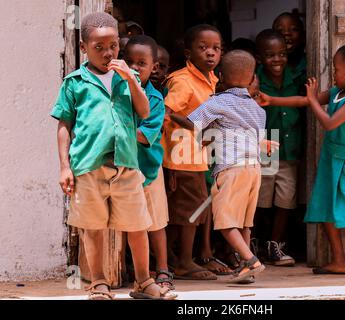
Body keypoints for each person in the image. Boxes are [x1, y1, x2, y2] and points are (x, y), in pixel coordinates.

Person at [51, 12, 174, 299]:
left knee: (137, 226)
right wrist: (64, 167)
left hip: (126, 166)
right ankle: (99, 284)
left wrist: (131, 80)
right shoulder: (75, 82)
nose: (108, 53)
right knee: (92, 229)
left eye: (114, 46)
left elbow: (144, 112)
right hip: (88, 167)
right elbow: (63, 125)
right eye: (99, 48)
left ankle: (144, 282)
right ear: (84, 48)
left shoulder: (127, 78)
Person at [259, 43, 345, 279]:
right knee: (325, 209)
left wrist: (312, 99)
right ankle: (339, 260)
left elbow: (329, 123)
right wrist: (272, 100)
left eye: (336, 69)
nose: (333, 74)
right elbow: (303, 101)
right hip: (332, 160)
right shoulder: (336, 93)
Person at [171, 50, 273, 283]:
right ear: (250, 79)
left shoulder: (217, 102)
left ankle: (251, 261)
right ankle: (246, 271)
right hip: (254, 168)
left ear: (219, 77)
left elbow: (192, 123)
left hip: (230, 168)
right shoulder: (259, 110)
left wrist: (172, 115)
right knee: (245, 222)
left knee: (225, 222)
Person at [161, 24, 222, 281]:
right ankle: (185, 262)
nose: (211, 53)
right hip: (182, 156)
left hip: (198, 157)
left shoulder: (214, 80)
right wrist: (193, 129)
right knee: (190, 210)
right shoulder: (183, 81)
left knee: (187, 210)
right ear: (188, 52)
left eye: (216, 48)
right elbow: (165, 113)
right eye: (203, 47)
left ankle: (176, 258)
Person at [123, 35, 178, 293]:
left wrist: (115, 129)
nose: (135, 68)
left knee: (155, 223)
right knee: (128, 223)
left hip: (148, 169)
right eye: (129, 62)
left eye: (141, 63)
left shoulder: (154, 99)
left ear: (153, 67)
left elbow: (145, 135)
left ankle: (163, 269)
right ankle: (132, 272)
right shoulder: (117, 92)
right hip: (123, 170)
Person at [254, 29, 301, 267]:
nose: (277, 59)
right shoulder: (255, 79)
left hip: (290, 148)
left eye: (281, 54)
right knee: (261, 200)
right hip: (266, 146)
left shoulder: (296, 76)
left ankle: (276, 245)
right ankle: (256, 244)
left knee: (285, 200)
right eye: (270, 55)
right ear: (260, 57)